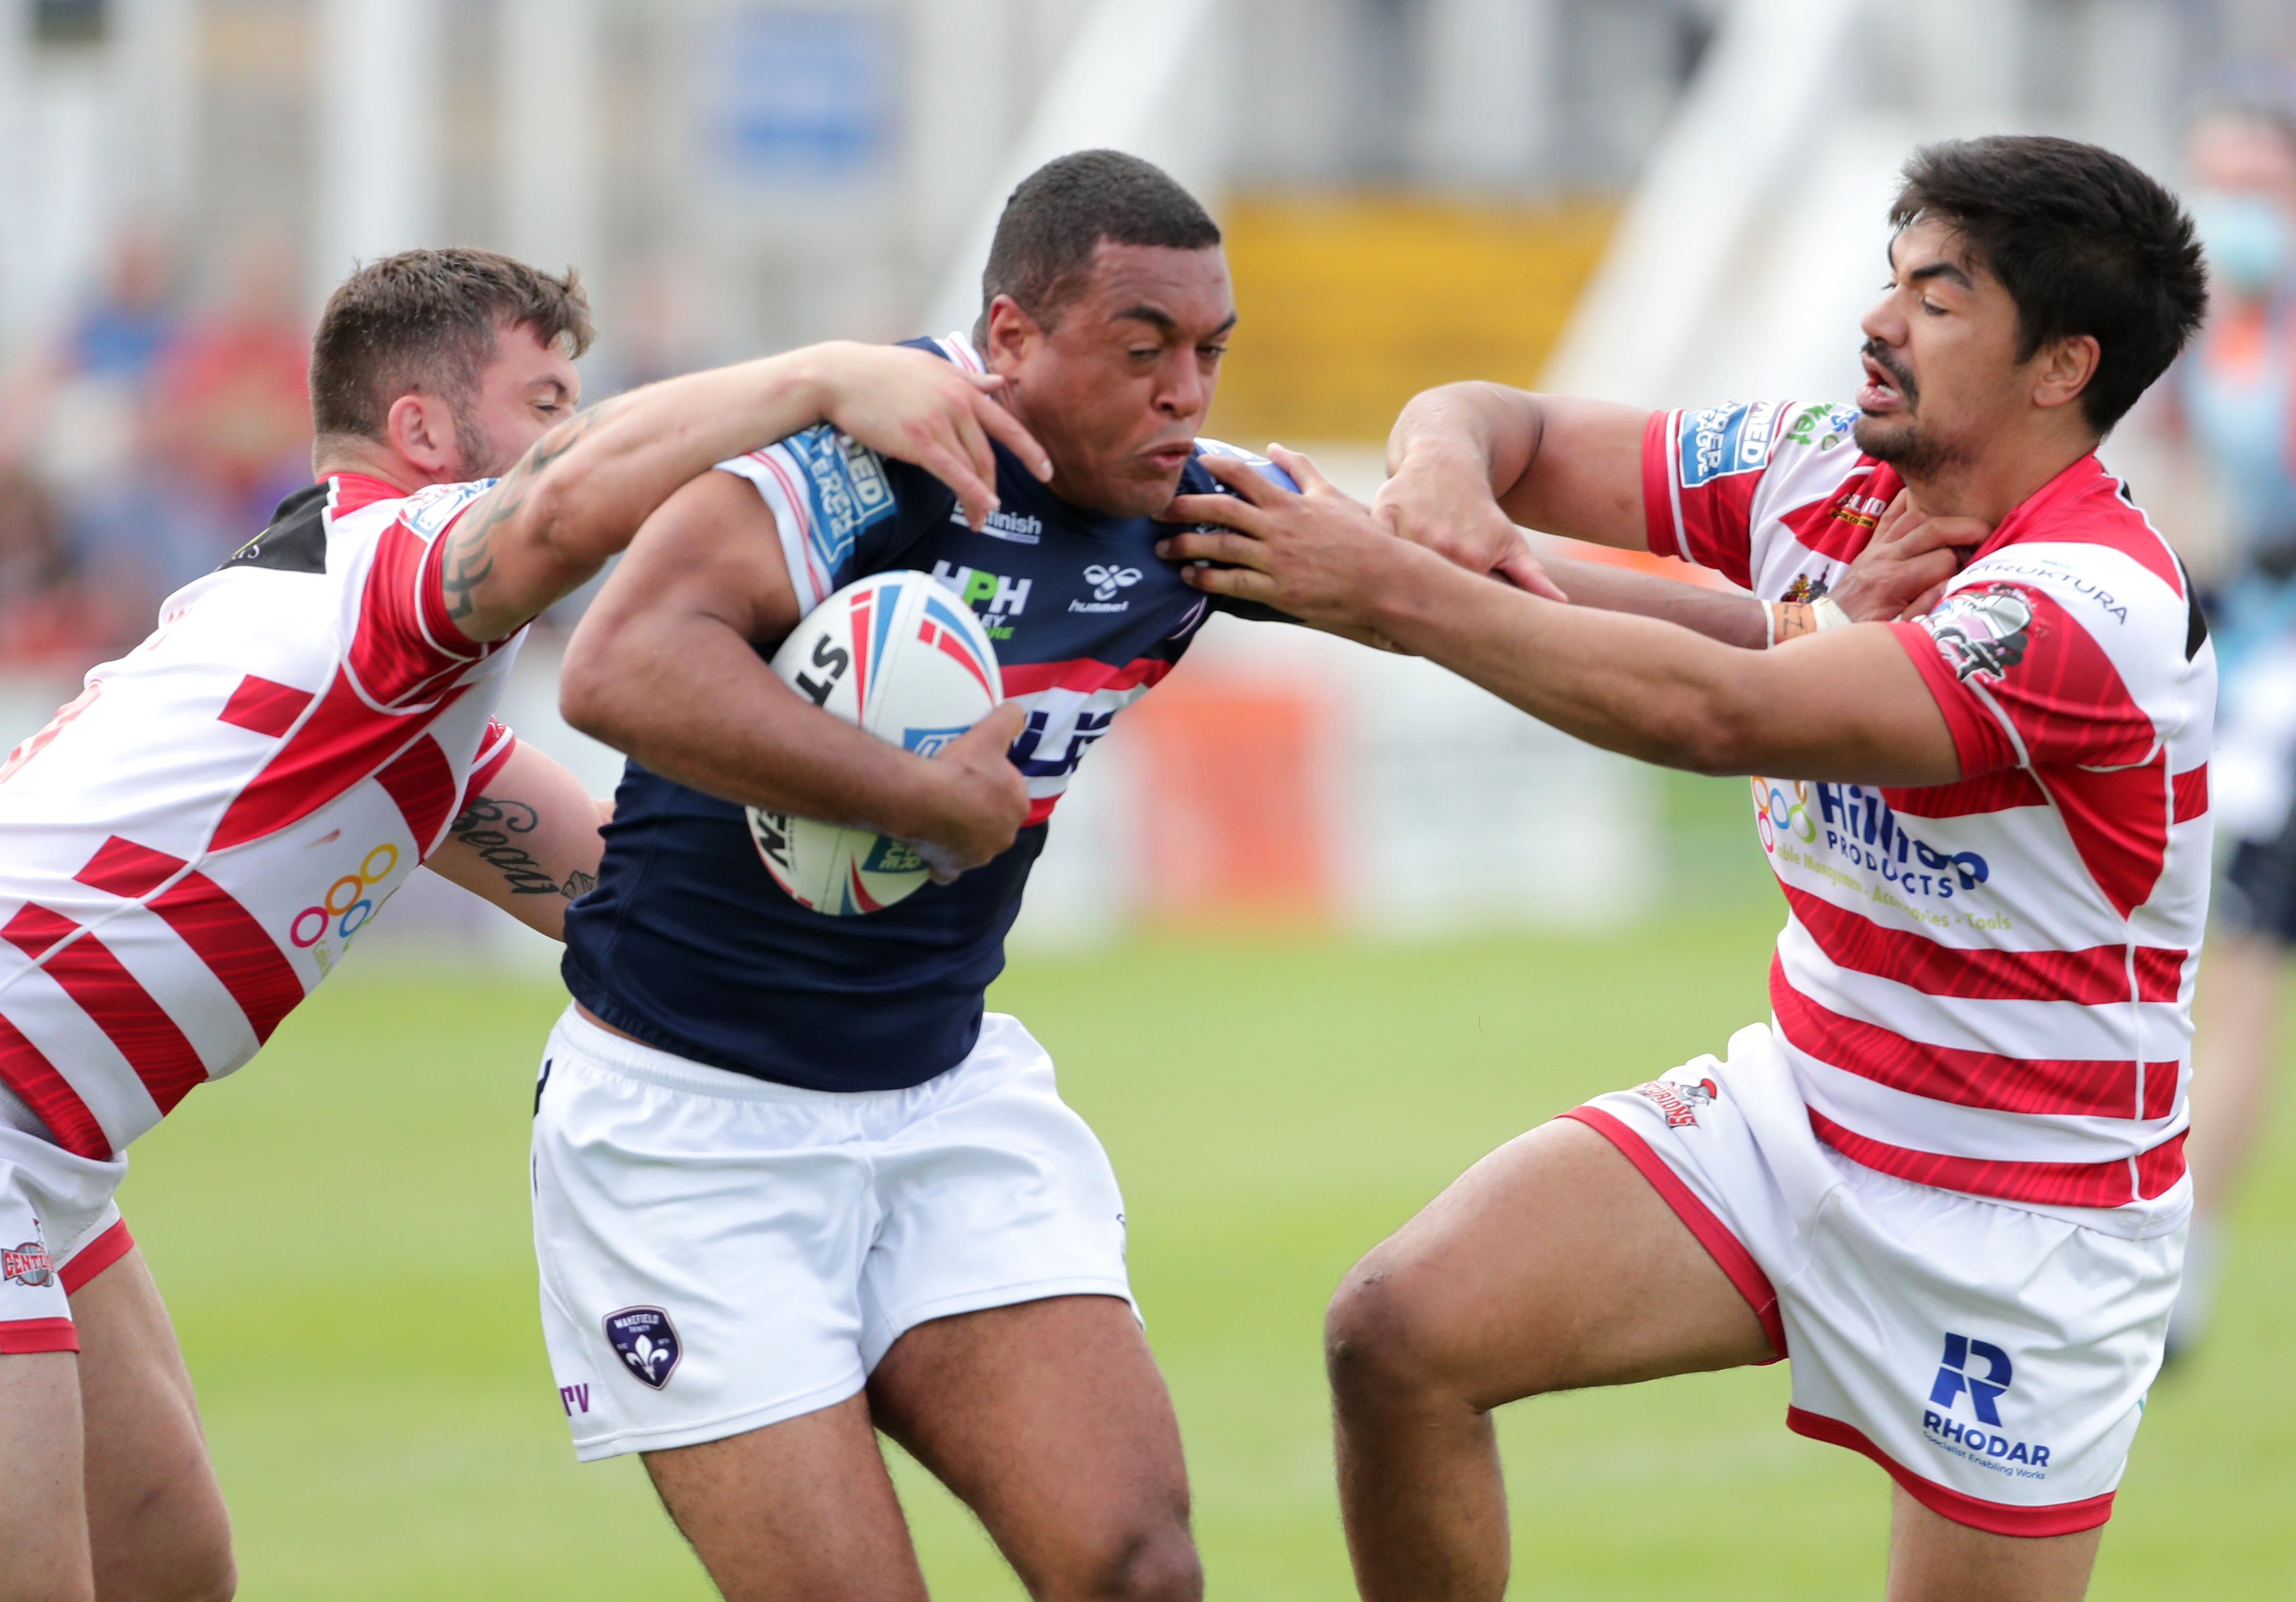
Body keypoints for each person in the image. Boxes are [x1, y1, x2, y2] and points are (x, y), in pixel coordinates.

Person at [532, 148, 1973, 1602]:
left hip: (940, 1102)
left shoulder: (1191, 515)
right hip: (687, 1134)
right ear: (1011, 341)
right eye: (1140, 348)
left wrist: (1796, 638)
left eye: (1210, 353)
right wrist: (926, 799)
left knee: (1138, 1570)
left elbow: (1455, 593)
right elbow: (622, 664)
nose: (1183, 393)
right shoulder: (879, 455)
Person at [1159, 134, 2210, 1601]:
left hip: (2027, 1217)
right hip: (1802, 1112)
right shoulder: (1818, 467)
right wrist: (1438, 487)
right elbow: (1494, 418)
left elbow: (1719, 711)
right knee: (1397, 1333)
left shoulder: (2093, 607)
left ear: (2061, 366)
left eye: (1938, 297)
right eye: (1888, 279)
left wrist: (1395, 585)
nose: (1878, 320)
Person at [0, 247, 1048, 1602]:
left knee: (170, 1569)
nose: (575, 439)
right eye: (548, 402)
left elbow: (631, 914)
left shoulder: (400, 706)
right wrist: (822, 379)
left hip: (52, 1159)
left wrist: (890, 834)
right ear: (423, 432)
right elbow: (554, 514)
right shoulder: (382, 576)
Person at [2163, 100, 2296, 1359]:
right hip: (2257, 683)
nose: (2241, 207)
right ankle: (2181, 1276)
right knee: (2229, 970)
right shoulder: (2217, 340)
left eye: (2260, 177)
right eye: (2220, 180)